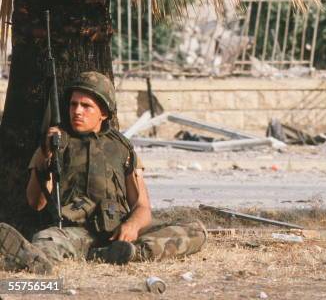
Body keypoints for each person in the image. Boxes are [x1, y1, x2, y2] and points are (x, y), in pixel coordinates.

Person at [0, 72, 207, 274]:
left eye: (86, 106)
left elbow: (142, 206)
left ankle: (129, 253)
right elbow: (35, 202)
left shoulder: (122, 147)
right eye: (73, 104)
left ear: (104, 112)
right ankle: (31, 261)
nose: (77, 111)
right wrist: (45, 156)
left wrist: (132, 226)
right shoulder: (55, 143)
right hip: (76, 232)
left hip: (119, 232)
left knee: (194, 229)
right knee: (47, 240)